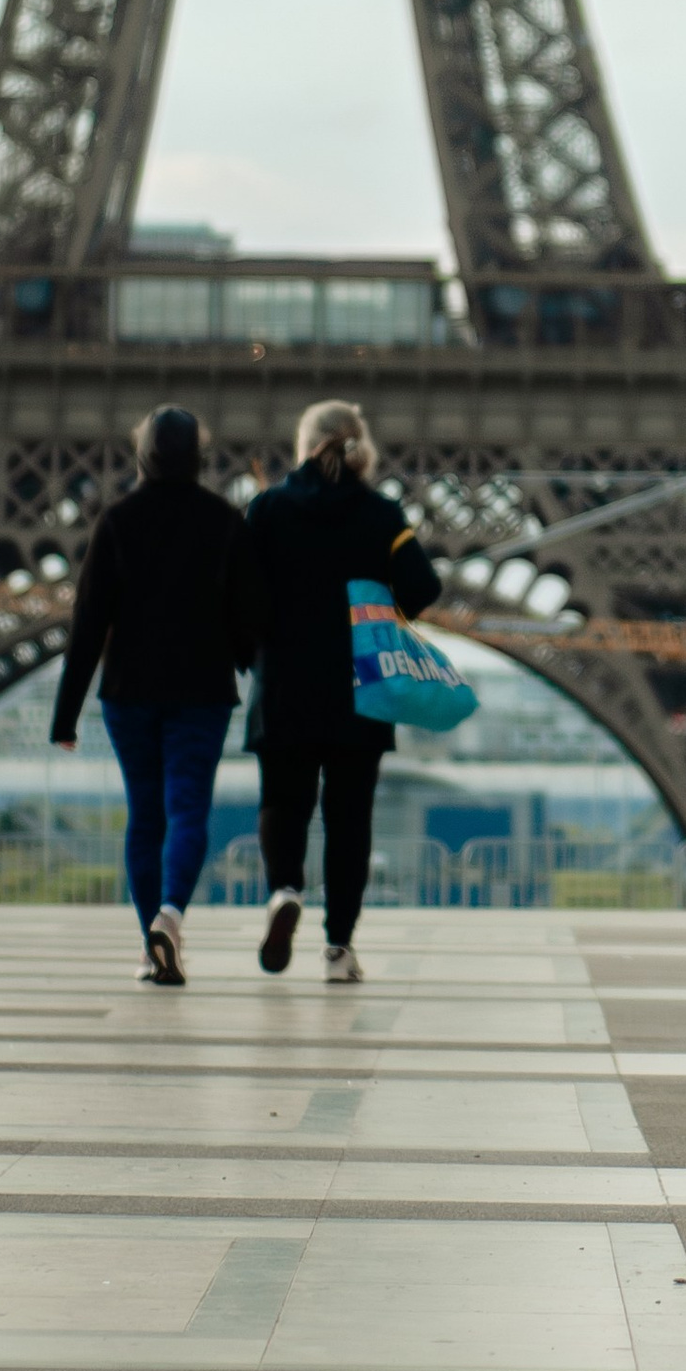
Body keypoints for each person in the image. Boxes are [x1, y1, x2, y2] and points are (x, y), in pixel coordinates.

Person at [51, 406, 256, 986]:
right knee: (188, 808)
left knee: (145, 815)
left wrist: (65, 716)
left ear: (142, 454)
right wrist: (245, 660)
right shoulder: (225, 522)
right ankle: (170, 914)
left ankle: (150, 944)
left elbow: (88, 623)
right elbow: (249, 619)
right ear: (200, 455)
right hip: (202, 691)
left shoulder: (117, 521)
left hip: (130, 692)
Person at [242, 399, 441, 983]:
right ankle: (338, 949)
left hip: (282, 681)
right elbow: (423, 587)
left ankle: (283, 890)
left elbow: (241, 593)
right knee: (349, 819)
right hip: (361, 679)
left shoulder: (267, 509)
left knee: (283, 800)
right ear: (361, 447)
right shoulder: (381, 515)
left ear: (304, 445)